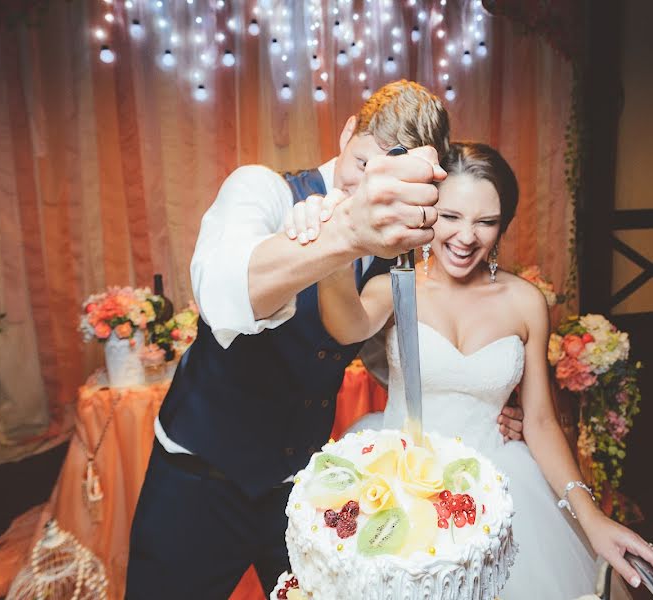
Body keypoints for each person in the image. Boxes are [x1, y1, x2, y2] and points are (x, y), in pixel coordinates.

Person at [126, 82, 525, 599]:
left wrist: (483, 396)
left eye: (392, 180)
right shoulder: (263, 190)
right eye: (363, 165)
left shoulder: (398, 249)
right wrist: (342, 235)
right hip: (200, 483)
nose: (369, 193)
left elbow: (393, 351)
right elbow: (221, 295)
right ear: (346, 133)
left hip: (305, 493)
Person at [284, 141, 653, 598]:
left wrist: (592, 519)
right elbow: (345, 326)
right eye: (450, 217)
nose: (466, 237)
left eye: (485, 222)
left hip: (499, 491)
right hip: (397, 487)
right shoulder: (398, 286)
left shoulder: (526, 302)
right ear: (428, 210)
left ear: (503, 225)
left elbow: (542, 420)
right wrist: (335, 250)